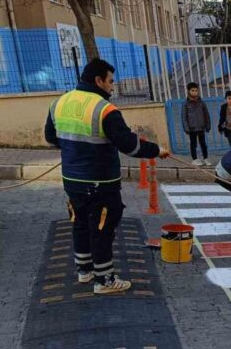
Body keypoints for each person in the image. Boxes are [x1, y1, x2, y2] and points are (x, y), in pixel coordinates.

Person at [45, 58, 169, 294]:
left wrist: (75, 150)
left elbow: (51, 138)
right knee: (102, 226)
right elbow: (128, 145)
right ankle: (105, 280)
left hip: (72, 179)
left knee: (80, 221)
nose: (113, 86)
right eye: (111, 81)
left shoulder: (58, 103)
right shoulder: (104, 109)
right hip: (100, 181)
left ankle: (85, 270)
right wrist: (156, 150)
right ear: (98, 80)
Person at [182, 82, 211, 166]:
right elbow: (184, 117)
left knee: (203, 144)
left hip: (201, 127)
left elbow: (206, 115)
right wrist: (186, 128)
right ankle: (194, 159)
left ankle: (206, 158)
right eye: (192, 90)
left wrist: (208, 125)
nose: (194, 92)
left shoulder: (202, 103)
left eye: (196, 90)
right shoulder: (186, 104)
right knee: (193, 143)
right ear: (188, 91)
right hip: (192, 128)